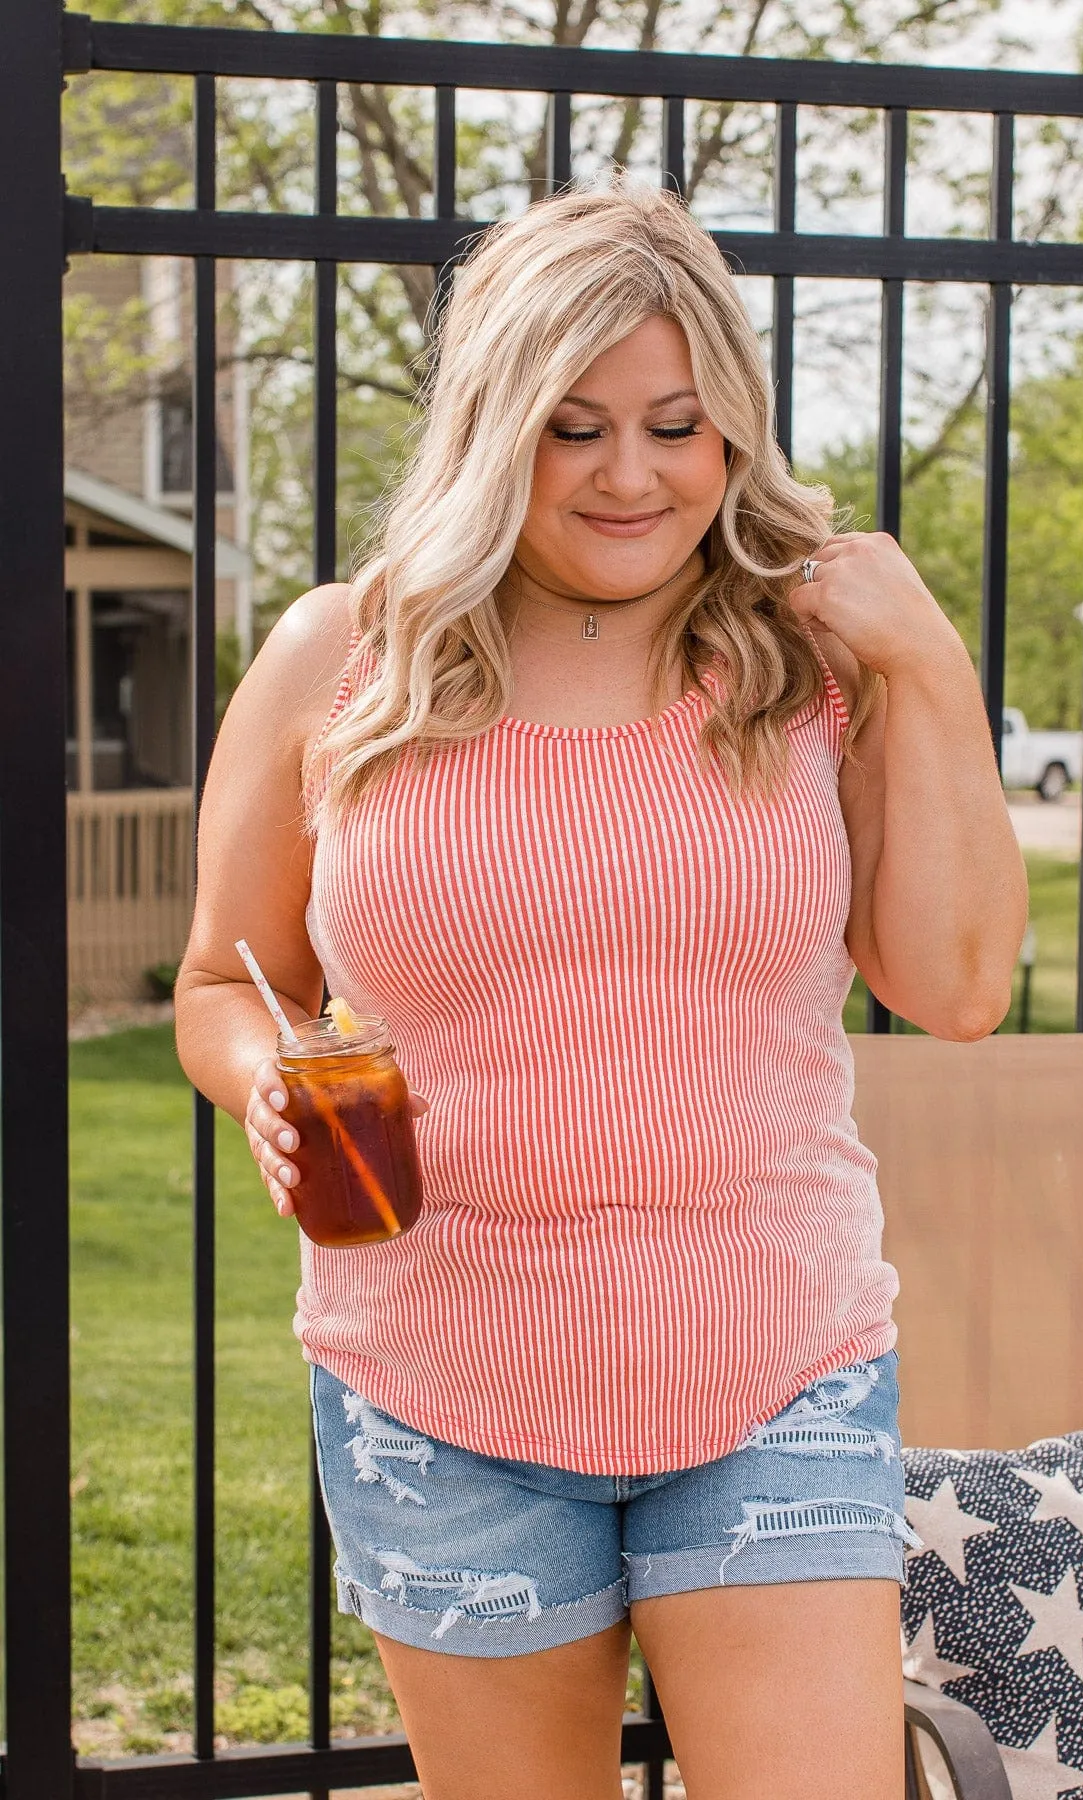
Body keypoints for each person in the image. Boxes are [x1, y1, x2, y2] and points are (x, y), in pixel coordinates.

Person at [175, 181, 1027, 1800]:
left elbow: (961, 984)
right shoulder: (338, 659)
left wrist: (932, 664)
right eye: (573, 427)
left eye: (675, 425)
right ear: (499, 425)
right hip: (437, 1383)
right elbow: (231, 979)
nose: (631, 474)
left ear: (733, 433)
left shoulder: (811, 665)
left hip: (774, 1367)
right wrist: (267, 1085)